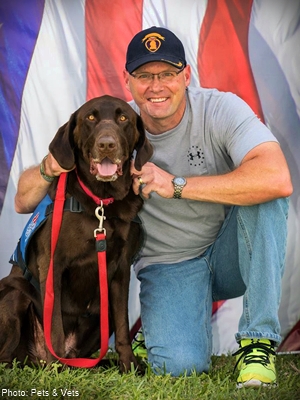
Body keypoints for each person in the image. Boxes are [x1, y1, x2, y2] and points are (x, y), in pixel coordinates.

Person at [15, 27, 293, 388]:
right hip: (171, 267)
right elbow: (23, 200)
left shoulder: (220, 109)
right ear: (128, 81)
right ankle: (164, 325)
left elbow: (277, 178)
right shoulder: (114, 124)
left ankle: (258, 341)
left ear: (187, 76)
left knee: (267, 197)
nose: (156, 86)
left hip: (230, 255)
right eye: (145, 76)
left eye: (167, 74)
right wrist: (50, 166)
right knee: (179, 365)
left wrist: (175, 186)